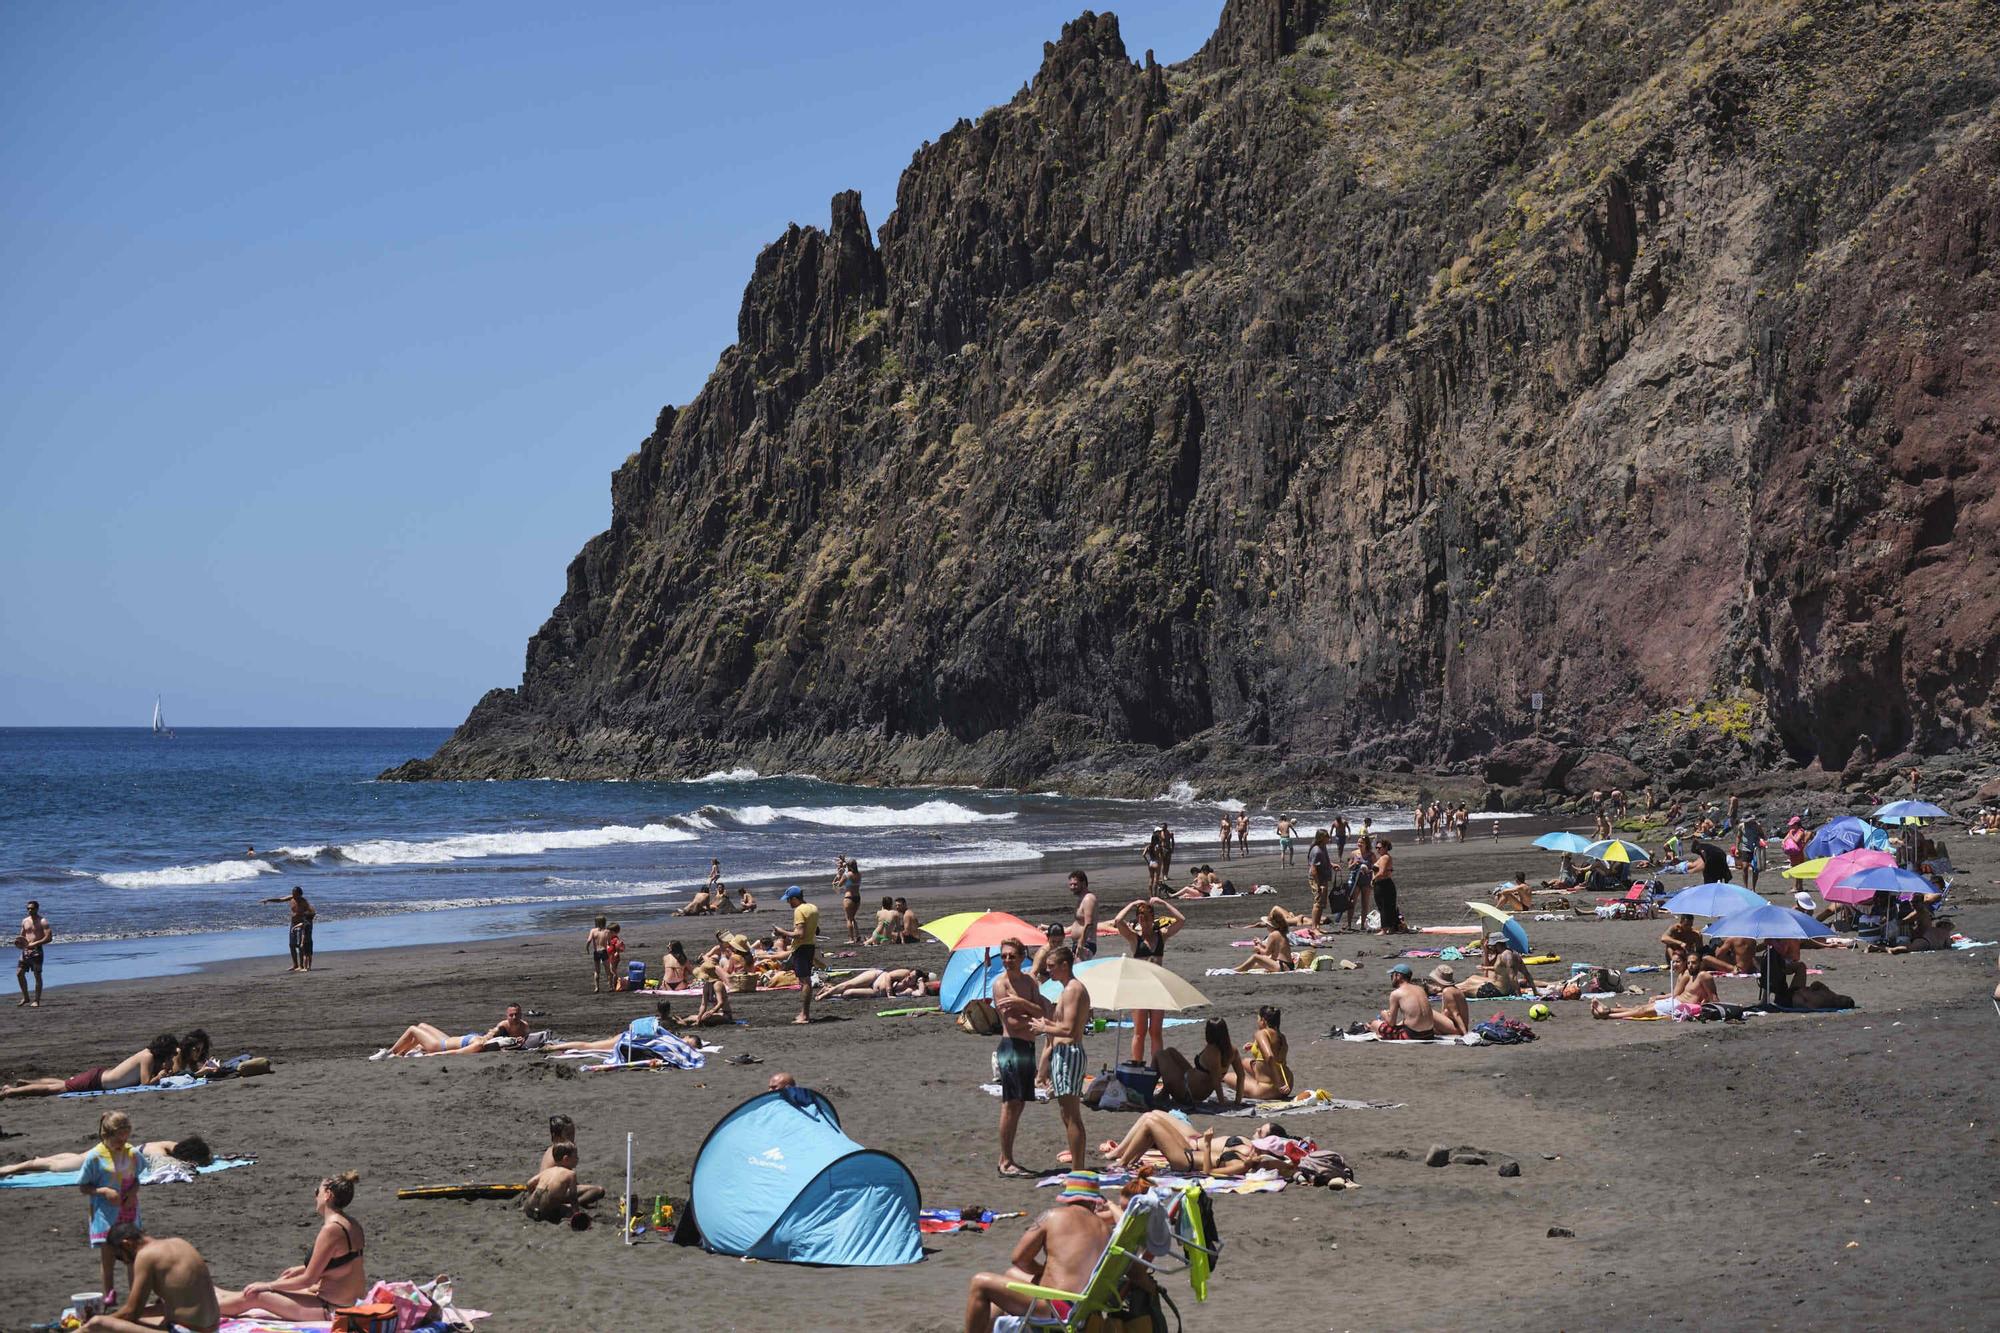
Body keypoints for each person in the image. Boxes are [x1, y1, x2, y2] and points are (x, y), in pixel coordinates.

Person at [962, 1171, 1118, 1333]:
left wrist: (1042, 1271)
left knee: (980, 1282)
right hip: (1082, 1307)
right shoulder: (1105, 1229)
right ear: (1094, 1201)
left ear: (1068, 1197)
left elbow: (1019, 1259)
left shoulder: (1052, 1216)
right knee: (1011, 1275)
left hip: (1058, 1308)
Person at [214, 1171, 367, 1320]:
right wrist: (301, 1268)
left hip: (332, 1309)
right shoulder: (352, 1224)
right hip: (346, 1303)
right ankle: (214, 1294)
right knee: (250, 1291)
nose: (315, 1196)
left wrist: (269, 1285)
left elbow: (308, 1280)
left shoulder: (332, 1229)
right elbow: (342, 1263)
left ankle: (201, 1310)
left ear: (327, 1195)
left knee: (257, 1295)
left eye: (317, 1191)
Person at [1009, 945, 1089, 1171]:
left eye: (1052, 967)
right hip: (1064, 1054)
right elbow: (1062, 1026)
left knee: (1071, 1114)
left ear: (1065, 966)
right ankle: (1077, 1164)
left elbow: (1071, 1030)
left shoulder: (1073, 989)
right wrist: (1043, 1025)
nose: (1048, 971)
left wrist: (1046, 1026)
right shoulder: (1067, 989)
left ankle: (1078, 1168)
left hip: (1070, 1054)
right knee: (1066, 1113)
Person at [84, 1225, 220, 1333]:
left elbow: (132, 1313)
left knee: (97, 1324)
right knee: (146, 1312)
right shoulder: (179, 1242)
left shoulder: (146, 1255)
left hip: (186, 1330)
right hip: (212, 1328)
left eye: (120, 1257)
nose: (126, 1262)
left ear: (127, 1244)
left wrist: (104, 1318)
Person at [1097, 1111, 1300, 1177]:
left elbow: (1210, 1173)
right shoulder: (1250, 1156)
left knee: (1151, 1123)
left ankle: (1122, 1163)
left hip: (1185, 1162)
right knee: (1154, 1120)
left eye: (1260, 1145)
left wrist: (1209, 1144)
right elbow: (1286, 1164)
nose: (1255, 1145)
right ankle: (1126, 1160)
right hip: (1187, 1152)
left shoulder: (1243, 1164)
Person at [1111, 897, 1185, 1068]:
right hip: (1140, 990)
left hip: (1158, 989)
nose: (1143, 921)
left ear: (1153, 918)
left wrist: (1163, 903)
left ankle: (1156, 1067)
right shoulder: (1134, 939)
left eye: (1146, 918)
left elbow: (1181, 920)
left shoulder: (1161, 936)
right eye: (1140, 918)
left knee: (1156, 1032)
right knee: (1139, 1032)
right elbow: (1118, 921)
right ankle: (1137, 1065)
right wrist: (1131, 904)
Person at [992, 938, 1044, 1178]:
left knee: (1019, 1103)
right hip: (1011, 1047)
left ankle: (1008, 1158)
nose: (1007, 960)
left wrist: (1022, 1004)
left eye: (1011, 956)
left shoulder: (1029, 981)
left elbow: (1042, 1009)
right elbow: (1011, 1023)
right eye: (1003, 956)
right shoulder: (1000, 984)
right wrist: (1033, 1018)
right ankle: (1005, 1160)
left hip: (1027, 1047)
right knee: (1010, 1104)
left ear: (1022, 956)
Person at [78, 1111, 143, 1298]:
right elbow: (83, 1186)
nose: (122, 1142)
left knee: (132, 1258)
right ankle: (108, 1295)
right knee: (108, 1261)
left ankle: (134, 1296)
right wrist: (103, 1191)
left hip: (128, 1213)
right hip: (106, 1216)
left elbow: (137, 1179)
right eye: (118, 1139)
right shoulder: (95, 1157)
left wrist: (132, 1192)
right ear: (106, 1135)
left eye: (125, 1137)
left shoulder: (132, 1153)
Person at [2, 1033, 177, 1098]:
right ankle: (11, 1091)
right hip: (97, 1081)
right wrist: (160, 1076)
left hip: (100, 1077)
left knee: (64, 1082)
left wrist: (164, 1069)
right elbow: (146, 1084)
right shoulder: (147, 1056)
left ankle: (26, 1084)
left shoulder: (150, 1057)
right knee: (55, 1089)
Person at [0, 1133, 211, 1180]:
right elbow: (166, 1170)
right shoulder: (161, 1154)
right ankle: (13, 1168)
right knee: (55, 1168)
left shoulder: (171, 1145)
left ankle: (40, 1159)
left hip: (108, 1152)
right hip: (106, 1157)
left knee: (76, 1158)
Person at [371, 1004, 527, 1059]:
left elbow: (455, 1054)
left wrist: (432, 1055)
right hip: (447, 1039)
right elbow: (493, 1032)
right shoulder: (483, 1039)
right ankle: (398, 1055)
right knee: (422, 1025)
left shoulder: (479, 1045)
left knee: (413, 1029)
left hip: (439, 1046)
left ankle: (388, 1053)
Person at [1156, 1017, 1246, 1106]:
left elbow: (1216, 1081)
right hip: (1191, 1080)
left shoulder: (1213, 1052)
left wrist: (1221, 1102)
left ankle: (1148, 1094)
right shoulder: (1232, 1050)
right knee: (1170, 1051)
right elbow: (1241, 1076)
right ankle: (1164, 1093)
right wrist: (1238, 1100)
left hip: (1187, 1092)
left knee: (1160, 1054)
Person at [522, 1141, 602, 1223]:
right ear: (566, 1159)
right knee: (566, 1210)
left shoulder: (547, 1171)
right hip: (546, 1213)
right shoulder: (570, 1174)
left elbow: (529, 1184)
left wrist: (533, 1194)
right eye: (575, 1157)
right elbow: (573, 1197)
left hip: (529, 1210)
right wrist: (576, 1213)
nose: (578, 1159)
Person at [1371, 963, 1456, 1038]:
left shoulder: (1396, 994)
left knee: (1375, 1024)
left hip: (1413, 1034)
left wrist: (1384, 1014)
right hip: (1429, 1033)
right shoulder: (1420, 989)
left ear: (1398, 976)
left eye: (1392, 975)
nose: (1391, 978)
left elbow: (1391, 1023)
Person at [772, 886, 819, 1024]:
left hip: (802, 948)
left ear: (794, 898)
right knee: (805, 980)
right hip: (810, 946)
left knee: (805, 981)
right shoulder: (813, 908)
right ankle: (804, 1013)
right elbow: (816, 930)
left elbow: (800, 934)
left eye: (789, 900)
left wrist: (782, 932)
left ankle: (805, 1015)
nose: (788, 903)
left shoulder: (799, 910)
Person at [1227, 1006, 1292, 1100]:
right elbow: (1274, 1048)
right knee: (1245, 1061)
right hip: (1288, 1083)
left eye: (1258, 1018)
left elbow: (1270, 1057)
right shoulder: (1281, 1036)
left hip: (1271, 1089)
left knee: (1225, 1076)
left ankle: (1259, 1083)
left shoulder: (1261, 1033)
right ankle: (1261, 1080)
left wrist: (1279, 1084)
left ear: (1263, 1020)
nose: (1257, 1021)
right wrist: (1254, 1045)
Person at [259, 887, 315, 973]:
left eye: (296, 894)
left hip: (301, 924)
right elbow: (280, 900)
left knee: (300, 945)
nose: (294, 896)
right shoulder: (291, 898)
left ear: (300, 894)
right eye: (293, 894)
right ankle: (295, 965)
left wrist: (307, 924)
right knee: (292, 944)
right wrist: (268, 900)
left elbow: (312, 912)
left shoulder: (304, 902)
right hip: (293, 924)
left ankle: (301, 966)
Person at [816, 967, 932, 1000]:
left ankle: (829, 989)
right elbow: (888, 975)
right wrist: (889, 992)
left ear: (914, 982)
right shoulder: (904, 973)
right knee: (849, 984)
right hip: (876, 977)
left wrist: (920, 981)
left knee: (848, 993)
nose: (907, 978)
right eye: (908, 975)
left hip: (875, 991)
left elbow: (921, 993)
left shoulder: (911, 989)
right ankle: (824, 995)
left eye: (910, 978)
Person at [16, 898, 51, 1007]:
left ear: (37, 909)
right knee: (19, 973)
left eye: (31, 909)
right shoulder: (25, 921)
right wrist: (18, 942)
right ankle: (26, 997)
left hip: (37, 951)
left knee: (37, 975)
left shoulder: (42, 921)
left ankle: (36, 1000)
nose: (29, 911)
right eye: (28, 909)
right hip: (25, 951)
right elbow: (22, 936)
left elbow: (49, 938)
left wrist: (35, 943)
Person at [1066, 870, 1098, 959]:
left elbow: (1089, 924)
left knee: (1080, 971)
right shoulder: (1081, 899)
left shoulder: (1088, 899)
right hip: (1079, 943)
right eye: (1070, 884)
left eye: (1075, 884)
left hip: (1086, 944)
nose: (1072, 887)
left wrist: (1081, 943)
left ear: (1083, 883)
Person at [1372, 838, 1402, 932]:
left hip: (1384, 884)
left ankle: (1384, 929)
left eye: (1379, 848)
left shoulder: (1385, 857)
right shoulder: (1383, 857)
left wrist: (1373, 879)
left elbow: (1382, 872)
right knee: (1386, 906)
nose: (1377, 849)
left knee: (1384, 906)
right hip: (1382, 883)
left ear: (1385, 847)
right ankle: (1392, 927)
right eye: (1376, 848)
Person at [1306, 829, 1334, 926]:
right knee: (1318, 902)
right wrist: (1318, 885)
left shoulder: (1323, 847)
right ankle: (1314, 927)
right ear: (1322, 838)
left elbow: (1325, 860)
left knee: (1322, 903)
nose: (1329, 839)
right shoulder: (1317, 851)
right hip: (1317, 879)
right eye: (1327, 837)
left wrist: (1331, 865)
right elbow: (1313, 870)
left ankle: (1317, 925)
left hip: (1323, 878)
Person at [586, 915, 612, 989]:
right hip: (604, 951)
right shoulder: (607, 931)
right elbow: (609, 943)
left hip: (596, 952)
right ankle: (610, 986)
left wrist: (587, 948)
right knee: (607, 970)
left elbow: (589, 940)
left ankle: (596, 987)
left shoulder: (593, 930)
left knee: (597, 971)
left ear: (596, 922)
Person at [841, 856, 863, 945]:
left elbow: (839, 884)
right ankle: (857, 935)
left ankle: (851, 938)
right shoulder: (859, 874)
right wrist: (845, 862)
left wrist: (840, 873)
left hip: (849, 897)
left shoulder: (847, 875)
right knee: (853, 917)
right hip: (857, 897)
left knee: (849, 919)